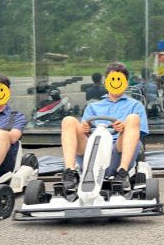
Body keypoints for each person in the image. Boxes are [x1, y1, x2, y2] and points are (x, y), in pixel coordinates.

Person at [60, 62, 149, 190]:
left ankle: (122, 171)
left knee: (133, 118)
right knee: (68, 120)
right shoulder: (93, 106)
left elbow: (138, 132)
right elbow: (84, 133)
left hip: (118, 151)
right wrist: (85, 129)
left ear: (126, 83)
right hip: (92, 151)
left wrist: (123, 128)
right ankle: (70, 172)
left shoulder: (135, 106)